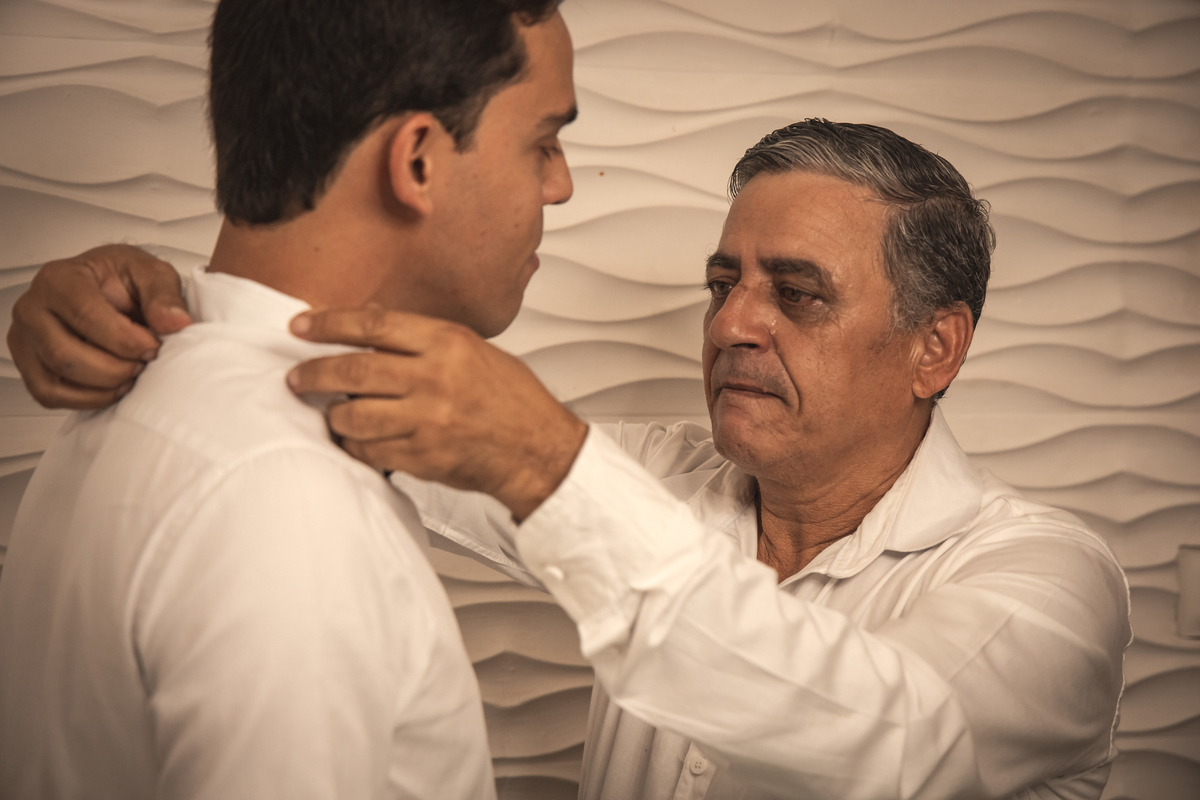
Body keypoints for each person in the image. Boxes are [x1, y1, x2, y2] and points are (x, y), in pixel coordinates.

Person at [9, 118, 1131, 799]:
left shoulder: (1048, 584)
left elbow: (895, 748)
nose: (734, 324)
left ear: (936, 347)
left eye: (796, 294)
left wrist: (548, 462)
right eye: (723, 283)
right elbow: (355, 399)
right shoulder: (659, 480)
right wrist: (156, 299)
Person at [0, 0, 580, 797]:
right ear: (417, 161)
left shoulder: (134, 392)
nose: (562, 186)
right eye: (543, 143)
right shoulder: (287, 497)